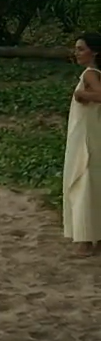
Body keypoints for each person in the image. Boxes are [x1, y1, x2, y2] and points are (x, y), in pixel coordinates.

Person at [66, 32, 101, 257]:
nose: (76, 53)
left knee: (84, 181)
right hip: (89, 132)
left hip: (86, 137)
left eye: (81, 49)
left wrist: (81, 94)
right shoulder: (93, 73)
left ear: (94, 52)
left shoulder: (90, 73)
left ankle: (86, 240)